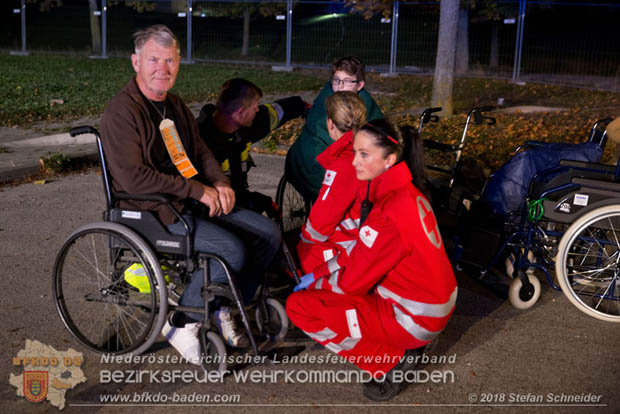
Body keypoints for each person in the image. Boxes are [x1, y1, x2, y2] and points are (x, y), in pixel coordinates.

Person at [100, 25, 281, 362]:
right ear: (136, 62)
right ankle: (183, 322)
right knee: (231, 250)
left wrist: (221, 182)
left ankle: (224, 308)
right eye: (154, 59)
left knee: (268, 233)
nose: (162, 69)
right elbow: (135, 178)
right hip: (151, 210)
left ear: (179, 63)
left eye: (170, 60)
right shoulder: (122, 112)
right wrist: (197, 190)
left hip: (188, 202)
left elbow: (201, 153)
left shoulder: (175, 106)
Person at [286, 119, 456, 401]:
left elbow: (352, 284)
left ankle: (390, 362)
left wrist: (319, 285)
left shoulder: (386, 212)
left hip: (416, 317)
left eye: (364, 155)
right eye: (354, 152)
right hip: (433, 303)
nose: (354, 162)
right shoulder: (407, 192)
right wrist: (321, 272)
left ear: (389, 159)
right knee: (329, 289)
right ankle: (400, 344)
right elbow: (364, 251)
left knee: (300, 307)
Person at [197, 78, 308, 216]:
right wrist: (258, 202)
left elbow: (275, 112)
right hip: (219, 210)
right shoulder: (201, 142)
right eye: (255, 106)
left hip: (242, 198)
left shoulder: (248, 123)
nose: (257, 110)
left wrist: (303, 107)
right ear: (240, 112)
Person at [285, 56, 384, 202]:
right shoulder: (326, 100)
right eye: (336, 80)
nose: (340, 86)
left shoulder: (365, 105)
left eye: (347, 81)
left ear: (360, 85)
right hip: (315, 157)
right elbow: (316, 131)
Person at [296, 91, 367, 278]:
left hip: (353, 243)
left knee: (303, 252)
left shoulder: (344, 163)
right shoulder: (370, 151)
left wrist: (304, 237)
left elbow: (320, 224)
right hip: (369, 236)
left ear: (330, 123)